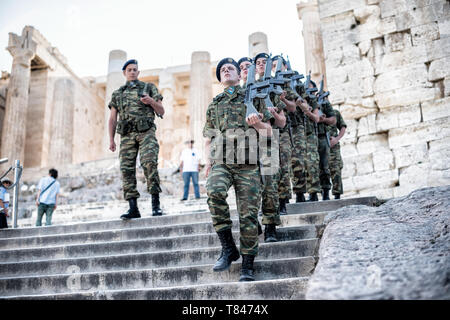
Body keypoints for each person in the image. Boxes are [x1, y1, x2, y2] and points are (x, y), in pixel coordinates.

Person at [203, 57, 273, 281]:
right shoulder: (215, 103)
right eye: (222, 69)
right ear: (220, 78)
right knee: (214, 192)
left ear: (238, 74)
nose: (226, 70)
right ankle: (228, 248)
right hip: (222, 160)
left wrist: (257, 123)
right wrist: (207, 162)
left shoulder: (253, 96)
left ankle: (248, 265)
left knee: (248, 215)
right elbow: (209, 136)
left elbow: (269, 131)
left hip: (247, 162)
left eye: (230, 68)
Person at [108, 59, 165, 219]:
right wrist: (111, 140)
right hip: (126, 135)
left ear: (138, 72)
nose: (132, 72)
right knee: (126, 169)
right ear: (124, 73)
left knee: (149, 164)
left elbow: (162, 110)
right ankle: (133, 207)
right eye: (129, 70)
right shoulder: (118, 94)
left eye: (135, 69)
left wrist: (151, 101)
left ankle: (156, 205)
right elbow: (112, 118)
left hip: (146, 132)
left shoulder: (149, 88)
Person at [254, 53, 286, 243]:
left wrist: (273, 114)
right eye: (257, 63)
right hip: (246, 141)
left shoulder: (273, 90)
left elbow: (282, 122)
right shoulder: (244, 91)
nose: (261, 65)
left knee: (269, 184)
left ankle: (270, 226)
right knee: (249, 186)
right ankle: (253, 222)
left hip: (268, 140)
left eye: (264, 62)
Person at [315, 83, 336, 201]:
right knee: (311, 166)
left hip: (322, 137)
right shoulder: (305, 101)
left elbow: (333, 120)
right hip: (308, 137)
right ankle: (313, 193)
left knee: (324, 166)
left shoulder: (324, 103)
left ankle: (326, 191)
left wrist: (324, 119)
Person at [328, 107, 347, 199]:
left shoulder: (334, 113)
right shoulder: (315, 112)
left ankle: (337, 194)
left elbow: (343, 127)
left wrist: (337, 139)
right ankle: (324, 194)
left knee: (336, 169)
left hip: (333, 147)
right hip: (320, 145)